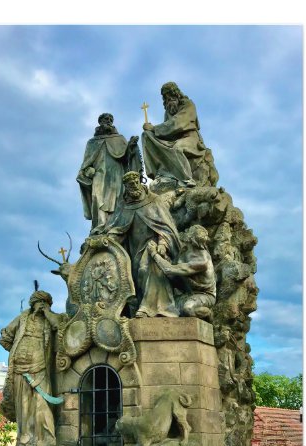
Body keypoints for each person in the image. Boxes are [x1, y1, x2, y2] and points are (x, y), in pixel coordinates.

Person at [101, 171, 181, 318]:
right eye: (130, 186)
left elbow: (165, 228)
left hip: (152, 245)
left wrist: (162, 244)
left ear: (140, 182)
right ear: (126, 188)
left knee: (147, 268)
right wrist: (107, 239)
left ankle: (152, 309)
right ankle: (137, 307)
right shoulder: (125, 206)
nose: (134, 188)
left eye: (136, 183)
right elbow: (118, 229)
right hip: (132, 250)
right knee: (134, 276)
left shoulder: (155, 201)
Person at [0, 290, 64, 446]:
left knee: (42, 405)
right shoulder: (22, 318)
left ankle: (46, 439)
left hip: (40, 367)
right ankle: (25, 439)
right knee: (24, 406)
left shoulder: (51, 319)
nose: (41, 305)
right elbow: (5, 338)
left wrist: (47, 312)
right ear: (32, 303)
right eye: (38, 302)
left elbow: (59, 325)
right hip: (20, 370)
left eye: (44, 302)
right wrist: (16, 350)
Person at [142, 82, 218, 190]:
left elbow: (178, 123)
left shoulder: (188, 104)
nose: (168, 98)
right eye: (166, 97)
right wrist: (150, 132)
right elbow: (166, 132)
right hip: (174, 140)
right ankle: (158, 173)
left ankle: (186, 179)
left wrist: (154, 128)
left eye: (170, 94)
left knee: (177, 148)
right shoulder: (168, 112)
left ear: (176, 93)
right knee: (146, 135)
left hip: (191, 140)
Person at [77, 113, 142, 233]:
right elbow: (86, 164)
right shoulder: (92, 142)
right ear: (100, 122)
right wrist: (87, 170)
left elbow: (127, 158)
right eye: (106, 119)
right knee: (97, 197)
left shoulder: (119, 139)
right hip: (99, 175)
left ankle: (115, 225)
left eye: (111, 120)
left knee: (117, 199)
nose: (109, 121)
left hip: (116, 174)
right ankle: (100, 225)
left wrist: (131, 146)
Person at [147, 224, 216, 321]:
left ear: (191, 238)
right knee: (165, 307)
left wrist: (154, 254)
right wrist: (163, 256)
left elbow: (169, 269)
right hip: (187, 290)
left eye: (188, 232)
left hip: (205, 295)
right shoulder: (185, 251)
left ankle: (208, 313)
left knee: (187, 309)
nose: (185, 234)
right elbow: (173, 268)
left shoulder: (202, 261)